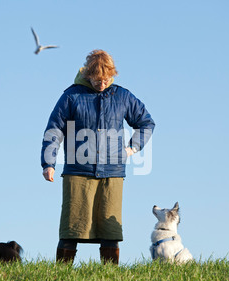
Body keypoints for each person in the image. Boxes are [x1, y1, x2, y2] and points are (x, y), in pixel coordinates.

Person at [41, 50, 155, 265]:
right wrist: (49, 163)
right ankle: (61, 276)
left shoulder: (122, 96)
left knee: (110, 232)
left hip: (112, 174)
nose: (102, 83)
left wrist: (132, 148)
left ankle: (109, 277)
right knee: (71, 229)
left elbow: (146, 123)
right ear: (87, 75)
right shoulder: (71, 95)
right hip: (77, 173)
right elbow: (54, 130)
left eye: (106, 79)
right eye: (97, 79)